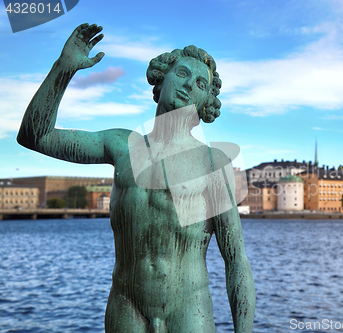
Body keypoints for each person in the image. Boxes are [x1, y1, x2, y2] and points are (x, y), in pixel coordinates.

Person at [17, 23, 255, 333]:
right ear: (162, 78)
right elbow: (35, 136)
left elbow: (235, 259)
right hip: (126, 307)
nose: (188, 86)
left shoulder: (212, 163)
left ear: (206, 101)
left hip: (189, 311)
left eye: (199, 83)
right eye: (182, 74)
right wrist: (64, 69)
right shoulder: (122, 146)